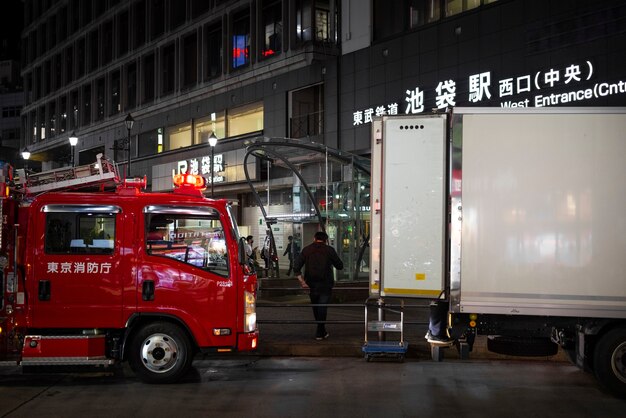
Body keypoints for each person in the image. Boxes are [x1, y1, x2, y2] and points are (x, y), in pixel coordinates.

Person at [294, 231, 343, 340]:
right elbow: (340, 266)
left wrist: (302, 281)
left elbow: (296, 267)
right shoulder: (329, 250)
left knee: (316, 307)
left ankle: (321, 330)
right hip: (326, 283)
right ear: (325, 240)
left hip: (311, 284)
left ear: (314, 238)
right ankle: (320, 331)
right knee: (322, 307)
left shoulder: (307, 250)